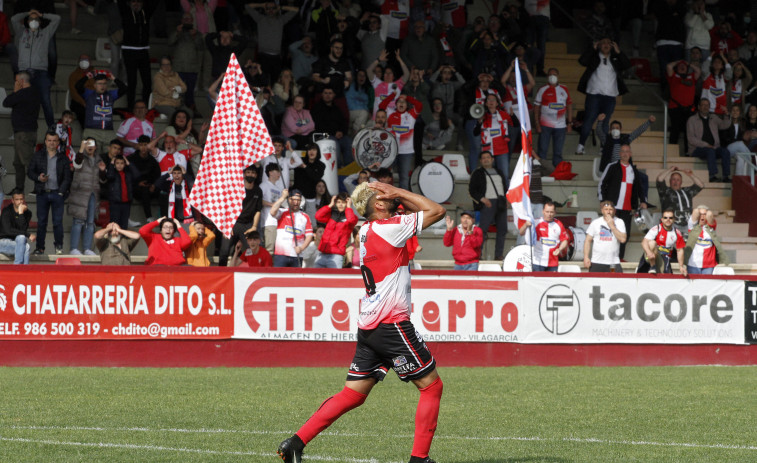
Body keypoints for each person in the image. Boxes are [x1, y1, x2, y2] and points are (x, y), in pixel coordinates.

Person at [277, 180, 446, 463]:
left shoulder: (367, 230)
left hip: (370, 326)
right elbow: (437, 210)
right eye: (385, 194)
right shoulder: (390, 228)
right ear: (379, 204)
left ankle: (294, 443)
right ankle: (420, 459)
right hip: (391, 324)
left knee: (353, 394)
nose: (391, 193)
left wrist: (393, 195)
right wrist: (401, 193)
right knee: (431, 386)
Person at [575, 37, 632, 155]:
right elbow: (582, 61)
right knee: (589, 120)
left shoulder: (615, 58)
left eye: (608, 43)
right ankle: (581, 146)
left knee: (605, 122)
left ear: (612, 45)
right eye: (603, 43)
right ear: (599, 45)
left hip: (610, 95)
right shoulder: (594, 57)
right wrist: (592, 49)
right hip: (594, 94)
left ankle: (603, 147)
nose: (606, 45)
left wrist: (619, 52)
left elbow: (627, 64)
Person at [9, 9, 60, 128]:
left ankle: (52, 129)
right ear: (27, 21)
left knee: (46, 102)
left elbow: (57, 19)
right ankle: (18, 129)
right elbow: (13, 19)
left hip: (41, 72)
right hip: (24, 73)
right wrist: (27, 13)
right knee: (20, 103)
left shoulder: (45, 33)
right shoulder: (22, 32)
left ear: (40, 22)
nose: (33, 21)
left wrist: (42, 14)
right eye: (31, 19)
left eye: (36, 19)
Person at [598, 144, 647, 259]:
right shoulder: (612, 166)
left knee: (625, 234)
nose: (625, 154)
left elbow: (640, 188)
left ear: (630, 154)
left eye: (627, 152)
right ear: (619, 154)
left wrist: (643, 201)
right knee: (609, 232)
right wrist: (603, 200)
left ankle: (619, 258)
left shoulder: (634, 170)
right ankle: (608, 257)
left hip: (628, 208)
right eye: (623, 151)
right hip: (612, 208)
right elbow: (602, 183)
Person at [28, 132, 72, 256]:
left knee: (57, 222)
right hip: (42, 193)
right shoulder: (38, 155)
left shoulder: (63, 158)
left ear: (58, 143)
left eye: (54, 140)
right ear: (45, 141)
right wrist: (38, 177)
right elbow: (30, 172)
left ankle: (59, 246)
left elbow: (68, 178)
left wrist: (61, 192)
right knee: (41, 222)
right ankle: (40, 248)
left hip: (57, 193)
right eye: (49, 140)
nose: (52, 143)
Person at [3, 72, 41, 192]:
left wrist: (15, 91)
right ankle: (19, 187)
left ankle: (39, 186)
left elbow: (6, 102)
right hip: (28, 132)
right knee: (18, 163)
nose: (15, 83)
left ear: (21, 81)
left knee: (28, 161)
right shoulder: (34, 92)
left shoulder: (23, 93)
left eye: (16, 81)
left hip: (23, 134)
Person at [68, 138, 106, 255]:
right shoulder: (80, 156)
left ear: (96, 146)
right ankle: (74, 248)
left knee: (90, 222)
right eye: (87, 144)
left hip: (93, 193)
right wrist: (81, 148)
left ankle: (87, 249)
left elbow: (103, 180)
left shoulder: (99, 159)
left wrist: (103, 171)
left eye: (92, 144)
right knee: (78, 221)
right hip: (80, 193)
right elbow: (77, 164)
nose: (90, 146)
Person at [118, 0, 158, 108]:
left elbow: (153, 4)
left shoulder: (146, 13)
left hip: (143, 50)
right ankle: (130, 107)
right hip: (129, 50)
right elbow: (121, 3)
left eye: (139, 2)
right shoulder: (126, 12)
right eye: (133, 2)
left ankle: (145, 105)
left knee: (147, 82)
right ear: (129, 3)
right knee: (132, 82)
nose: (136, 4)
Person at [220, 165, 262, 267]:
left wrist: (254, 227)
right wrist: (227, 226)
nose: (250, 175)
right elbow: (226, 207)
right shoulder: (236, 188)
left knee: (252, 251)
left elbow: (258, 210)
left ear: (256, 175)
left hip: (248, 225)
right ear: (243, 174)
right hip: (233, 223)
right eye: (248, 172)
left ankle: (252, 275)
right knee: (224, 251)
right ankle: (220, 274)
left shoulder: (258, 190)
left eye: (253, 173)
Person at [468, 150, 508, 261]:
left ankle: (498, 255)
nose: (486, 159)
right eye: (483, 158)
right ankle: (477, 254)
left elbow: (504, 187)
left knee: (502, 229)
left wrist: (507, 199)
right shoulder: (477, 173)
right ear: (481, 161)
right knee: (482, 230)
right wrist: (482, 199)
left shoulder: (499, 171)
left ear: (492, 159)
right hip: (487, 203)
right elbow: (471, 190)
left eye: (488, 157)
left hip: (501, 202)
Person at [77, 73, 129, 153]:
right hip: (92, 132)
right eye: (100, 84)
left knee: (110, 158)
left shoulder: (111, 95)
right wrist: (88, 76)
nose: (102, 86)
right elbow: (78, 86)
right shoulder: (89, 94)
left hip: (108, 132)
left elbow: (124, 89)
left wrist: (113, 78)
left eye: (104, 83)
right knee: (91, 157)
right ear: (94, 85)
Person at [246, 2, 298, 82]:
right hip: (263, 55)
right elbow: (247, 6)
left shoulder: (281, 20)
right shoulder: (260, 18)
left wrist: (280, 7)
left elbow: (296, 10)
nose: (270, 10)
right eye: (268, 8)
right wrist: (262, 5)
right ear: (265, 10)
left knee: (275, 80)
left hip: (276, 57)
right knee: (261, 80)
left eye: (273, 8)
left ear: (276, 9)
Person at [380, 93, 423, 190]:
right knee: (386, 176)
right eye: (399, 101)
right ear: (395, 104)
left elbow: (419, 105)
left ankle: (403, 203)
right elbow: (381, 106)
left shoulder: (411, 115)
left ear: (407, 105)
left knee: (404, 177)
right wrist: (393, 95)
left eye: (403, 102)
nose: (401, 103)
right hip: (391, 151)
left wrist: (407, 97)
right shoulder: (390, 113)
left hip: (406, 152)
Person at [534, 68, 573, 168]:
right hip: (545, 125)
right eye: (550, 74)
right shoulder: (542, 89)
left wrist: (570, 123)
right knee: (542, 150)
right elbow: (536, 107)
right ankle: (542, 170)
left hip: (560, 126)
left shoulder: (564, 89)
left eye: (554, 74)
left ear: (558, 76)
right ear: (547, 77)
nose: (552, 76)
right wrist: (537, 124)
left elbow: (569, 106)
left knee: (558, 152)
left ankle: (557, 172)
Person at [686, 98, 732, 182]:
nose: (705, 107)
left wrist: (726, 114)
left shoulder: (713, 117)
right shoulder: (692, 120)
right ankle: (712, 176)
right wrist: (706, 145)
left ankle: (726, 176)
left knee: (725, 151)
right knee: (710, 151)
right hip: (697, 149)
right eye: (703, 105)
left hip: (714, 147)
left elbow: (724, 125)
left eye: (707, 105)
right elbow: (691, 139)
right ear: (699, 107)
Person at [169, 12, 205, 115]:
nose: (186, 20)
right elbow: (170, 42)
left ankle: (191, 110)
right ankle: (176, 110)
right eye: (185, 18)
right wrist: (177, 32)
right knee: (177, 91)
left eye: (189, 19)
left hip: (192, 68)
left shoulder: (197, 33)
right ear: (181, 20)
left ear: (192, 21)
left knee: (189, 92)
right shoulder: (177, 31)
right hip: (178, 67)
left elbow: (201, 47)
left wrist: (194, 37)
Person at [518, 201, 569, 272]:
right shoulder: (536, 222)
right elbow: (521, 233)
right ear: (543, 211)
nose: (549, 214)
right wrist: (525, 225)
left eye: (551, 212)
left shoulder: (559, 224)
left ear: (555, 212)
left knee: (551, 282)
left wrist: (559, 249)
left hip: (553, 262)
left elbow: (565, 240)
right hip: (537, 262)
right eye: (547, 212)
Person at [269, 189, 313, 268]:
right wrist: (283, 197)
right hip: (281, 254)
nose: (296, 202)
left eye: (298, 200)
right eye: (293, 200)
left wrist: (301, 248)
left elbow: (309, 236)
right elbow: (272, 212)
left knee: (295, 280)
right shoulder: (282, 212)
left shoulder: (305, 216)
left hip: (297, 255)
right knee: (278, 279)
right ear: (289, 200)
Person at [656, 166, 704, 235]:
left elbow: (700, 185)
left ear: (681, 182)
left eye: (678, 180)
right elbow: (659, 179)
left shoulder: (686, 191)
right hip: (671, 225)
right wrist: (670, 170)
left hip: (688, 226)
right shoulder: (665, 191)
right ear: (670, 181)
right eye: (673, 179)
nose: (675, 182)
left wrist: (690, 175)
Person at [638, 208, 687, 276]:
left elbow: (680, 251)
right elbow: (644, 242)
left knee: (665, 278)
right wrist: (649, 253)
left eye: (670, 218)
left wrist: (681, 266)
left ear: (674, 220)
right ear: (662, 219)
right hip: (651, 256)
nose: (668, 220)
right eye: (665, 218)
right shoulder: (656, 229)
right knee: (652, 243)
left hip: (665, 259)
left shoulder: (677, 232)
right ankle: (652, 266)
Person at [314, 193, 358, 268]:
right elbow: (318, 216)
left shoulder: (352, 216)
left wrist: (349, 207)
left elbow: (351, 220)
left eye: (343, 202)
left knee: (334, 279)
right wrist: (330, 205)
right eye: (338, 202)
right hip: (322, 254)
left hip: (336, 256)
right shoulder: (332, 214)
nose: (341, 205)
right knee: (315, 278)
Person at [475, 93, 513, 178]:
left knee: (504, 175)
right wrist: (479, 122)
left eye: (493, 100)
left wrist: (513, 116)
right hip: (487, 151)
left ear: (497, 103)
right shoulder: (482, 115)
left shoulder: (503, 114)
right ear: (486, 103)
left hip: (502, 150)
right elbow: (475, 133)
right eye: (489, 100)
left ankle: (505, 191)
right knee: (488, 175)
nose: (491, 102)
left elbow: (515, 125)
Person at [666, 59, 701, 151]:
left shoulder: (691, 77)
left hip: (689, 109)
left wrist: (688, 63)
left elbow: (698, 71)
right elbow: (669, 66)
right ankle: (671, 152)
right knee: (675, 130)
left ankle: (687, 152)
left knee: (689, 131)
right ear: (677, 68)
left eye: (684, 66)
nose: (682, 67)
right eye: (680, 66)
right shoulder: (673, 76)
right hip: (675, 108)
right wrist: (678, 62)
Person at [583, 200, 626, 273]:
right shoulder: (595, 223)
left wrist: (612, 226)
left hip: (613, 263)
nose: (608, 212)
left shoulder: (619, 222)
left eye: (610, 209)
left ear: (614, 211)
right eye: (606, 209)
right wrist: (586, 257)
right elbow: (588, 240)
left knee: (615, 283)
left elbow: (623, 239)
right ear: (602, 211)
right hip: (597, 262)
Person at [684, 205, 729, 275]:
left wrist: (706, 213)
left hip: (709, 265)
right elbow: (695, 211)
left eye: (704, 214)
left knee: (707, 285)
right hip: (693, 264)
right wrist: (699, 212)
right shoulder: (692, 226)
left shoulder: (711, 228)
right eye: (700, 214)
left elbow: (710, 214)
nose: (702, 216)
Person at [130, 135, 162, 222]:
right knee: (144, 190)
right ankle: (149, 217)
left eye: (145, 145)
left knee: (163, 191)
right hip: (136, 189)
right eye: (141, 145)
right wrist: (137, 183)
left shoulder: (152, 160)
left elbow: (157, 175)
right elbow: (128, 176)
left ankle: (164, 218)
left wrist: (154, 185)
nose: (143, 147)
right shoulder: (131, 159)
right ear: (138, 145)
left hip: (150, 187)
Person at [0, 189, 35, 264]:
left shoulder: (27, 213)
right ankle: (20, 269)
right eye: (17, 199)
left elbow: (22, 230)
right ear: (12, 200)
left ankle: (18, 268)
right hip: (2, 242)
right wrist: (28, 235)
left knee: (21, 238)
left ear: (24, 199)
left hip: (17, 242)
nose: (19, 202)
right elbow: (8, 231)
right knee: (26, 247)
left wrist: (21, 213)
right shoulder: (6, 211)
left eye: (21, 199)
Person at [103, 154, 138, 229]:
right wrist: (111, 164)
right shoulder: (113, 173)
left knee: (124, 224)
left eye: (122, 163)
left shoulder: (127, 174)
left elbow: (137, 175)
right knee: (115, 224)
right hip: (115, 203)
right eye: (117, 163)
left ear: (125, 164)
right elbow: (109, 176)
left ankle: (123, 240)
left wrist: (129, 163)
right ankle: (115, 240)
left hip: (126, 203)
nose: (119, 165)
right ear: (114, 164)